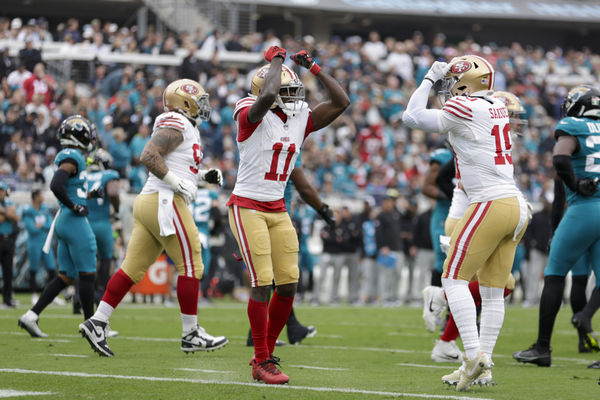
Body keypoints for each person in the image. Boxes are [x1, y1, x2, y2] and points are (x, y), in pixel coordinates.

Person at [403, 56, 529, 391]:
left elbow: (411, 116)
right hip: (516, 204)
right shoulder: (495, 105)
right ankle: (483, 366)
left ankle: (472, 356)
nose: (449, 90)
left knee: (452, 280)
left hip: (489, 202)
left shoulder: (468, 106)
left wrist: (428, 79)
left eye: (453, 83)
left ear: (468, 83)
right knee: (491, 291)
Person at [79, 79, 228, 357]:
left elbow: (177, 163)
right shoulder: (178, 122)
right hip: (164, 200)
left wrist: (202, 176)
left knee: (131, 269)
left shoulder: (186, 127)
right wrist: (174, 181)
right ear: (184, 103)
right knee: (192, 264)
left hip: (152, 201)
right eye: (198, 101)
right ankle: (191, 333)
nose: (203, 107)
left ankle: (97, 321)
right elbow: (148, 155)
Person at [227, 46, 349, 384]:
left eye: (295, 90)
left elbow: (341, 102)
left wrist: (313, 67)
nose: (294, 97)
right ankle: (263, 359)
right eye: (288, 91)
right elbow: (266, 97)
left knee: (289, 284)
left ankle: (264, 354)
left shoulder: (298, 118)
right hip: (247, 205)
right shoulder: (248, 113)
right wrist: (276, 60)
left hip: (278, 208)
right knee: (262, 282)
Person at [513, 86, 600, 367]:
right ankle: (586, 318)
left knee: (554, 275)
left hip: (585, 209)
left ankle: (542, 347)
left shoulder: (571, 125)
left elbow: (561, 159)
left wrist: (577, 184)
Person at [18, 115, 98, 337]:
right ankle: (92, 327)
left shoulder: (73, 157)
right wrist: (74, 206)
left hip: (64, 221)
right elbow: (56, 184)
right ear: (78, 136)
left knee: (66, 276)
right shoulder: (72, 155)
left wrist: (89, 196)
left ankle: (31, 316)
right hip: (72, 221)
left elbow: (73, 190)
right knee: (88, 273)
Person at [86, 148, 120, 300]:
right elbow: (112, 193)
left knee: (85, 261)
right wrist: (117, 209)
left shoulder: (85, 175)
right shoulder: (109, 175)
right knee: (106, 258)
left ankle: (80, 297)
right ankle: (100, 293)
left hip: (85, 223)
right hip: (102, 223)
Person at [422, 147, 454, 287]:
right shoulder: (442, 157)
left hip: (468, 211)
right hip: (445, 213)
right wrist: (451, 196)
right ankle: (434, 305)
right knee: (443, 260)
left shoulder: (473, 151)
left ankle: (455, 307)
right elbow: (427, 187)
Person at [22, 189, 56, 304]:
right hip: (34, 244)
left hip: (45, 243)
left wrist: (40, 225)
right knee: (33, 269)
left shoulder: (45, 209)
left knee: (51, 269)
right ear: (35, 197)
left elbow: (50, 225)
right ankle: (34, 294)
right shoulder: (28, 210)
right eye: (41, 195)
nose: (43, 197)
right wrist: (42, 226)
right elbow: (31, 229)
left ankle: (53, 295)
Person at [0, 181, 19, 308]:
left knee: (8, 271)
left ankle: (8, 299)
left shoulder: (9, 203)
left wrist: (3, 211)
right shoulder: (8, 205)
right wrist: (7, 214)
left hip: (8, 240)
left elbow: (15, 217)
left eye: (2, 190)